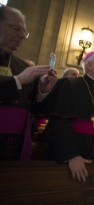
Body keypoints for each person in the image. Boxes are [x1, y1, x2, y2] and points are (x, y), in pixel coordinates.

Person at [41, 52, 94, 182]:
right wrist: (72, 156)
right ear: (89, 65)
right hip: (66, 160)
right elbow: (59, 121)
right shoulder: (68, 83)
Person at [0, 6, 56, 161]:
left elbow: (33, 110)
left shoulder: (22, 67)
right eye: (16, 28)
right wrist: (19, 80)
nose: (22, 36)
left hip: (16, 147)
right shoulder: (25, 73)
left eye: (25, 32)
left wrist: (43, 91)